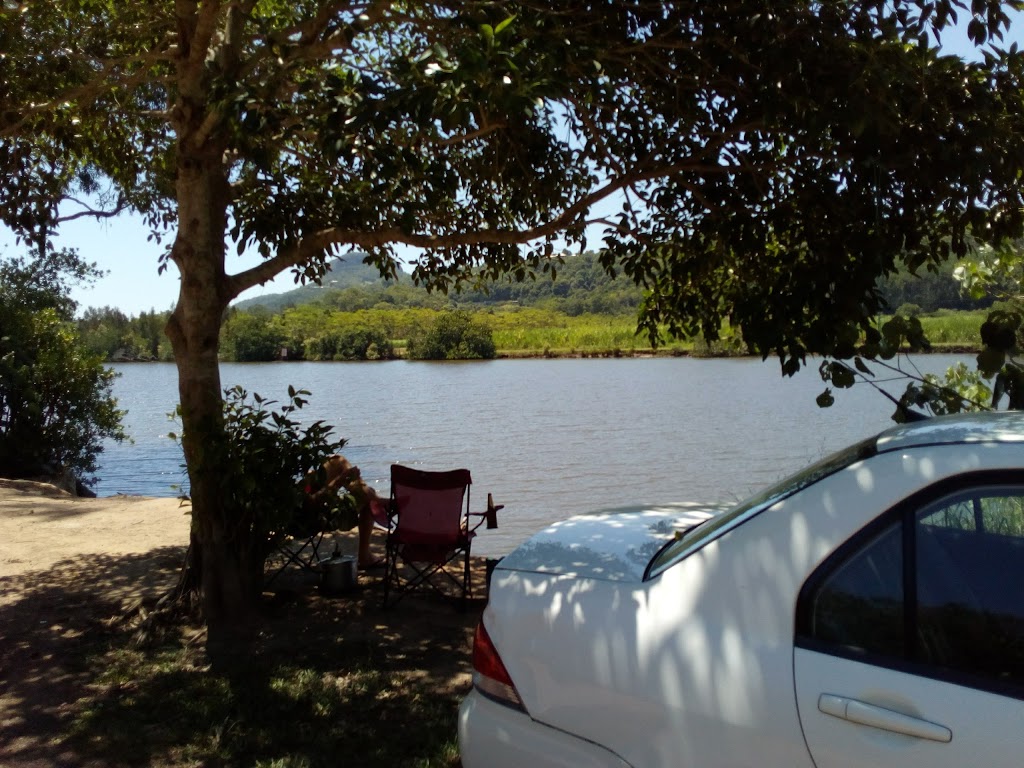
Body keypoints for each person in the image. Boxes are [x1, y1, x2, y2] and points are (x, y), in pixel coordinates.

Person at [318, 454, 388, 570]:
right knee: (367, 501)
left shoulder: (283, 478)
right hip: (313, 518)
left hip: (307, 510)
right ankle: (378, 500)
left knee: (337, 461)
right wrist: (339, 480)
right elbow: (312, 502)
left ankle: (376, 499)